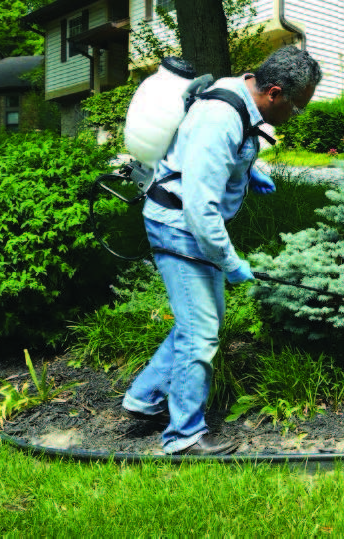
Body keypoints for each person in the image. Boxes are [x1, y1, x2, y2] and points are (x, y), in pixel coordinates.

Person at [122, 46, 321, 455]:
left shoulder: (241, 89)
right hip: (180, 227)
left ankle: (144, 399)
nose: (295, 116)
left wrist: (251, 171)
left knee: (197, 321)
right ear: (275, 92)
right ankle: (184, 438)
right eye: (296, 108)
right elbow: (200, 207)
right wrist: (230, 263)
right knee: (200, 334)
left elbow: (216, 154)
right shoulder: (220, 118)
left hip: (187, 222)